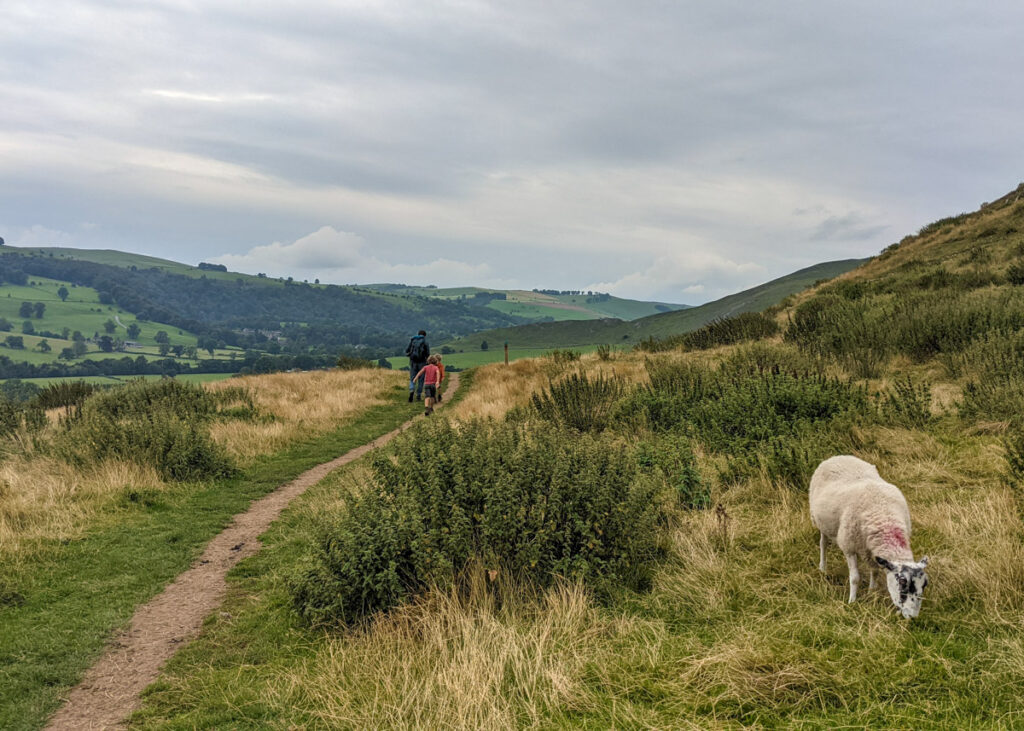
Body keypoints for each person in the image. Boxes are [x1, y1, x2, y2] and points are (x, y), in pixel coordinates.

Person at [404, 329, 430, 401]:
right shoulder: (425, 341)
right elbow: (428, 353)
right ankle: (418, 395)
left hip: (413, 362)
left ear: (418, 334)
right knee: (421, 379)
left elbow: (407, 350)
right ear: (425, 335)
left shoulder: (412, 340)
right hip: (422, 362)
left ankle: (412, 390)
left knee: (412, 378)